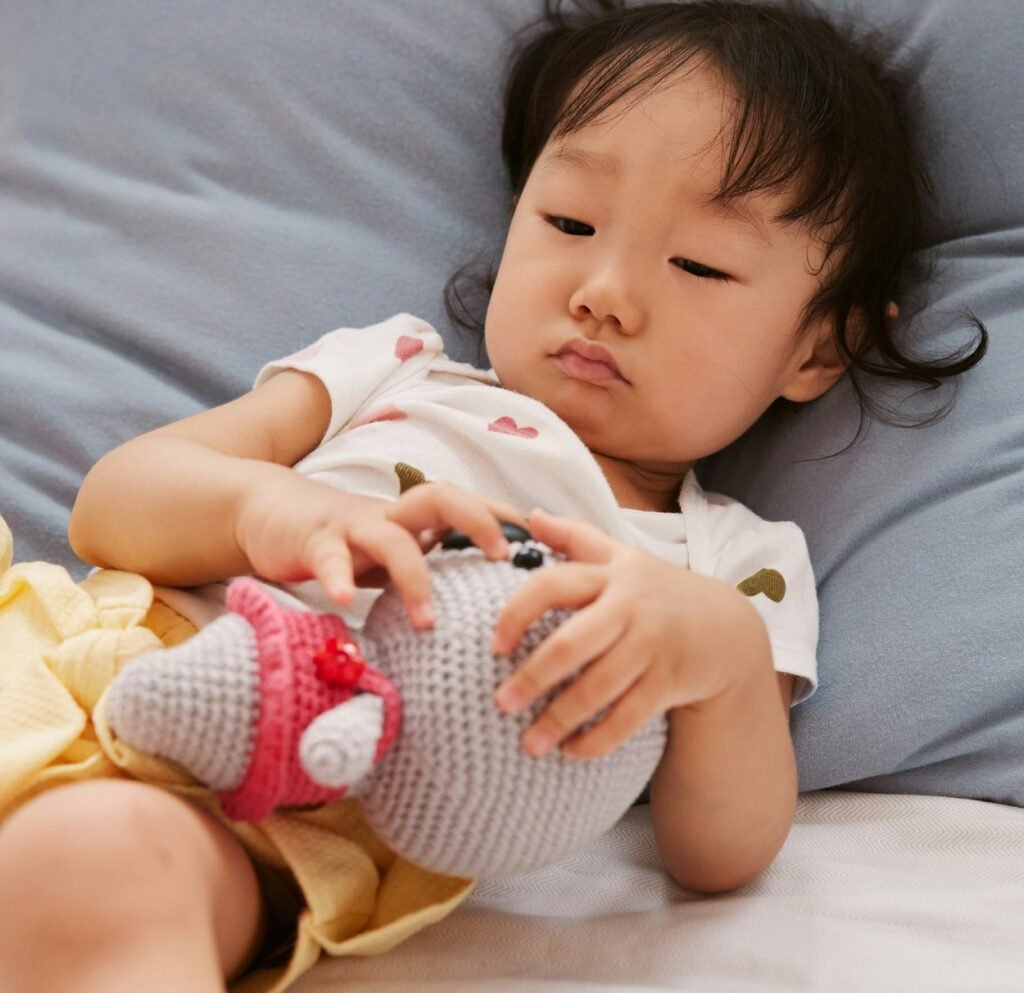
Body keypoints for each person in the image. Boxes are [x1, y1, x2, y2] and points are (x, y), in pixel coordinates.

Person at [0, 1, 987, 991]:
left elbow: (719, 855)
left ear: (819, 347)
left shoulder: (726, 565)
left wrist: (721, 660)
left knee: (101, 866)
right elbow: (112, 503)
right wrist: (279, 513)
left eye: (699, 264)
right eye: (567, 222)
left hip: (257, 816)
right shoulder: (390, 369)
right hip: (62, 667)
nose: (602, 291)